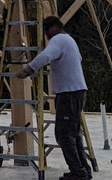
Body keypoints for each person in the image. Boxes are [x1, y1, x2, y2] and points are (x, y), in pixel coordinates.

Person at [16, 16, 90, 180]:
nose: (46, 33)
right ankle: (82, 169)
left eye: (47, 29)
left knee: (64, 134)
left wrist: (27, 70)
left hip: (69, 93)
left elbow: (45, 56)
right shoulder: (68, 40)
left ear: (56, 27)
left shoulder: (58, 40)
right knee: (73, 133)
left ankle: (79, 172)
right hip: (75, 92)